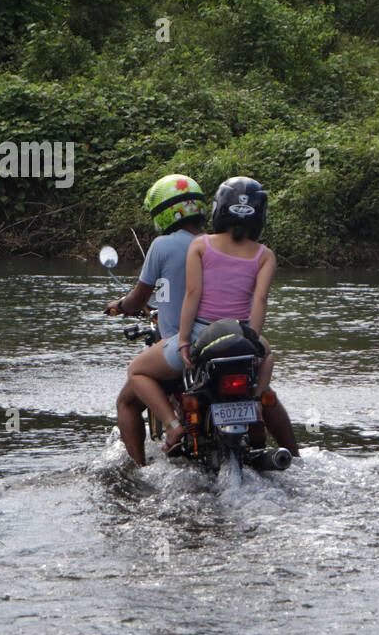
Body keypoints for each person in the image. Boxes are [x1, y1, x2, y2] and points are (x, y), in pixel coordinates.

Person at [127, 176, 299, 456]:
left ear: (220, 208)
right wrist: (252, 340)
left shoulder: (202, 245)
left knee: (135, 370)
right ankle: (255, 402)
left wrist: (183, 340)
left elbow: (192, 294)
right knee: (267, 355)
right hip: (241, 336)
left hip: (200, 337)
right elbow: (260, 300)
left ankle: (172, 425)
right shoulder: (265, 255)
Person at [105, 174, 206, 465]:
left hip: (179, 349)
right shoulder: (215, 245)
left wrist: (121, 305)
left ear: (163, 213)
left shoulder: (162, 245)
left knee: (127, 400)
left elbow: (139, 299)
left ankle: (141, 467)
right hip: (218, 341)